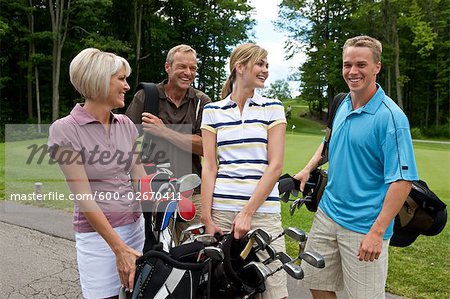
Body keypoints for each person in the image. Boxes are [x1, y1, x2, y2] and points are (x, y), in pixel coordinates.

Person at [294, 36, 419, 298]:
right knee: (317, 282)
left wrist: (377, 232)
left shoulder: (391, 118)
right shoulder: (342, 102)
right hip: (327, 215)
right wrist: (308, 168)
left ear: (377, 67)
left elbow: (402, 181)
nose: (352, 71)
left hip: (364, 226)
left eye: (361, 64)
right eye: (347, 64)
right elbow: (329, 142)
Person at [48, 48, 146, 298]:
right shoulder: (65, 130)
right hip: (99, 238)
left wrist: (169, 200)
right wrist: (119, 249)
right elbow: (84, 198)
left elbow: (141, 177)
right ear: (99, 80)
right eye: (121, 79)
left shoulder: (125, 125)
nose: (127, 86)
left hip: (136, 228)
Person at [201, 43, 288, 299]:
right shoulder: (212, 111)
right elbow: (209, 166)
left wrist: (247, 213)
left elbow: (275, 166)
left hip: (263, 214)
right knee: (221, 289)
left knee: (275, 292)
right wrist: (207, 218)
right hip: (222, 211)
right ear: (240, 67)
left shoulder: (273, 107)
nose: (265, 70)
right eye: (260, 64)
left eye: (267, 65)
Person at [125, 44, 211, 245]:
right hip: (152, 189)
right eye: (182, 66)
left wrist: (164, 131)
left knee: (193, 249)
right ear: (168, 67)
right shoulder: (147, 96)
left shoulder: (201, 101)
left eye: (193, 68)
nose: (188, 73)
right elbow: (124, 139)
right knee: (152, 248)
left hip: (192, 191)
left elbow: (206, 147)